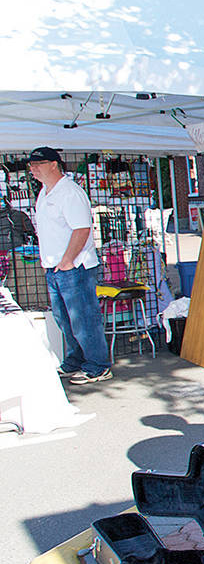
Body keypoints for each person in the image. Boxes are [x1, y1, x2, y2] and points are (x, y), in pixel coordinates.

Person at [28, 146, 113, 385]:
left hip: (74, 266)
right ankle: (76, 360)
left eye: (38, 164)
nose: (33, 169)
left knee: (83, 319)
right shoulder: (45, 193)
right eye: (32, 165)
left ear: (54, 164)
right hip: (56, 267)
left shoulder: (70, 192)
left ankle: (98, 366)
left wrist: (67, 260)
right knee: (64, 319)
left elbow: (82, 229)